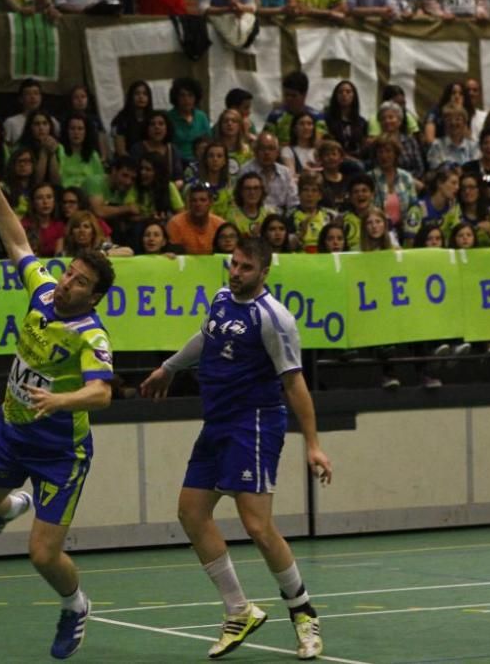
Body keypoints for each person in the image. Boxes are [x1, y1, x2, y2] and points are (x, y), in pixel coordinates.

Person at [140, 236, 332, 660]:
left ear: (264, 272)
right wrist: (169, 368)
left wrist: (313, 444)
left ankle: (304, 614)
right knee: (191, 512)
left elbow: (294, 382)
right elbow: (206, 339)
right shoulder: (223, 298)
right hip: (218, 422)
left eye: (246, 268)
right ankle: (238, 610)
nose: (236, 272)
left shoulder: (274, 318)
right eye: (233, 264)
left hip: (256, 423)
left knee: (257, 526)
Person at [0, 139, 115, 660]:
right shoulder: (42, 289)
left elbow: (101, 393)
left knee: (42, 554)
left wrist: (61, 400)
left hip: (61, 453)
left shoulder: (90, 335)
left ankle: (76, 606)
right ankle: (12, 505)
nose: (67, 280)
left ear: (93, 297)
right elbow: (16, 239)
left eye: (80, 281)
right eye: (70, 270)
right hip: (12, 433)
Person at [167, 181, 225, 255]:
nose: (198, 204)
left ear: (210, 203)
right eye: (194, 200)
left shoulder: (220, 225)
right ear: (188, 203)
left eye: (203, 200)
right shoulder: (175, 224)